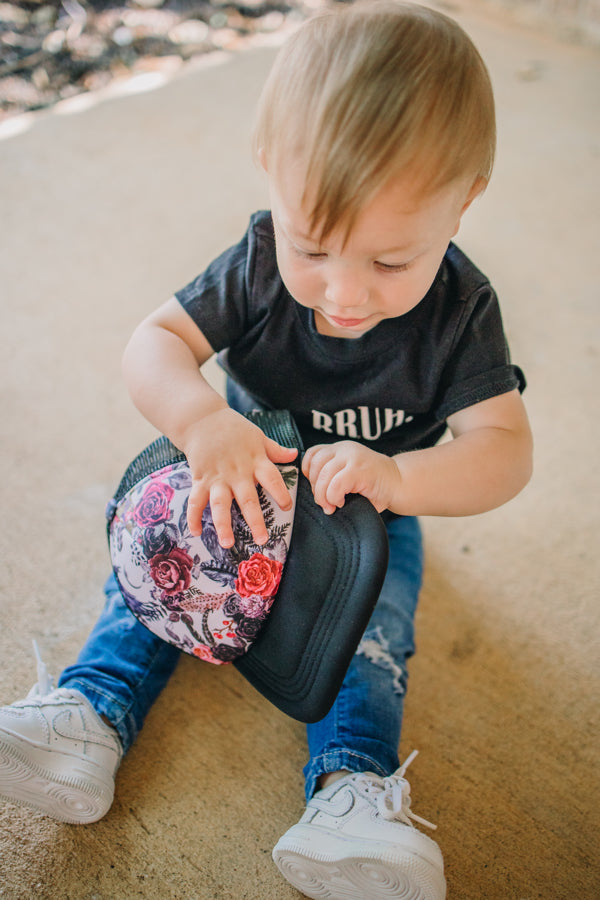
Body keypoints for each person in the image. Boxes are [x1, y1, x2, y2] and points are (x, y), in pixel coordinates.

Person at [0, 4, 533, 899]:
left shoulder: (461, 313)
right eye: (313, 246)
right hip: (236, 479)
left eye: (392, 261)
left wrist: (402, 477)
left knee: (368, 635)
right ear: (270, 176)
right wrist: (206, 424)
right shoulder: (254, 259)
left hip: (367, 515)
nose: (344, 291)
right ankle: (89, 713)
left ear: (466, 197)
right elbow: (154, 342)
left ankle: (351, 793)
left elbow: (504, 450)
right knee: (157, 576)